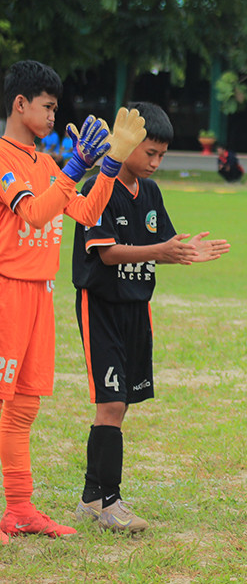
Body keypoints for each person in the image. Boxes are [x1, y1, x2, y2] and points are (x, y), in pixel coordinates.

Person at [0, 60, 146, 541]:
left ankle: (20, 509)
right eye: (47, 106)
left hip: (40, 293)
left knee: (24, 407)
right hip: (7, 290)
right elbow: (35, 214)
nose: (53, 115)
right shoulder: (3, 157)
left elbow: (84, 210)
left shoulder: (46, 164)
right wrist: (77, 166)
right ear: (19, 104)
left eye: (55, 107)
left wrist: (109, 165)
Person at [71, 102, 230, 532]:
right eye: (150, 153)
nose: (156, 162)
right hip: (101, 307)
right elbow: (107, 253)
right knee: (111, 403)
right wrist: (161, 251)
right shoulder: (97, 188)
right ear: (127, 143)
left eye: (162, 154)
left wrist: (184, 251)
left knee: (120, 405)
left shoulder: (151, 192)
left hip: (137, 309)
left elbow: (162, 244)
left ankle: (90, 498)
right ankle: (110, 504)